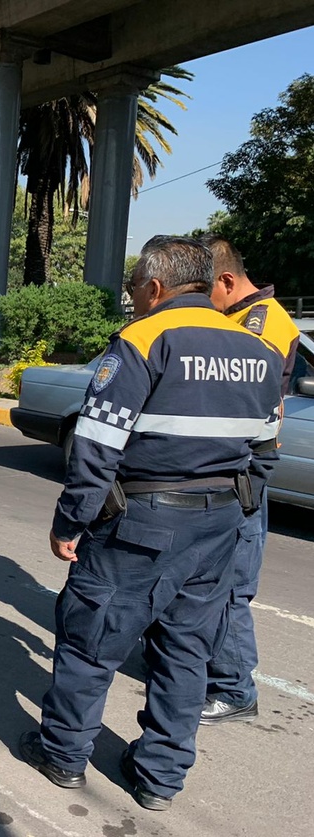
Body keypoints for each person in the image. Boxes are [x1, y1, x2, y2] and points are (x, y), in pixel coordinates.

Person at [19, 236, 282, 812]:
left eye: (135, 288)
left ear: (156, 288)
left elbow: (96, 447)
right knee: (187, 652)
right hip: (218, 527)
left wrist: (71, 522)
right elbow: (264, 449)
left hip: (139, 525)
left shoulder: (142, 341)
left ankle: (62, 754)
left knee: (91, 641)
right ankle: (161, 777)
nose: (132, 298)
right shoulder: (258, 349)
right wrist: (237, 510)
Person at [197, 235, 300, 725]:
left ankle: (234, 687)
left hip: (240, 473)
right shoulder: (235, 319)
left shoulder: (262, 323)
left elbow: (243, 400)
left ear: (226, 280)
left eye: (204, 291)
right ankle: (205, 667)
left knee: (230, 585)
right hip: (223, 471)